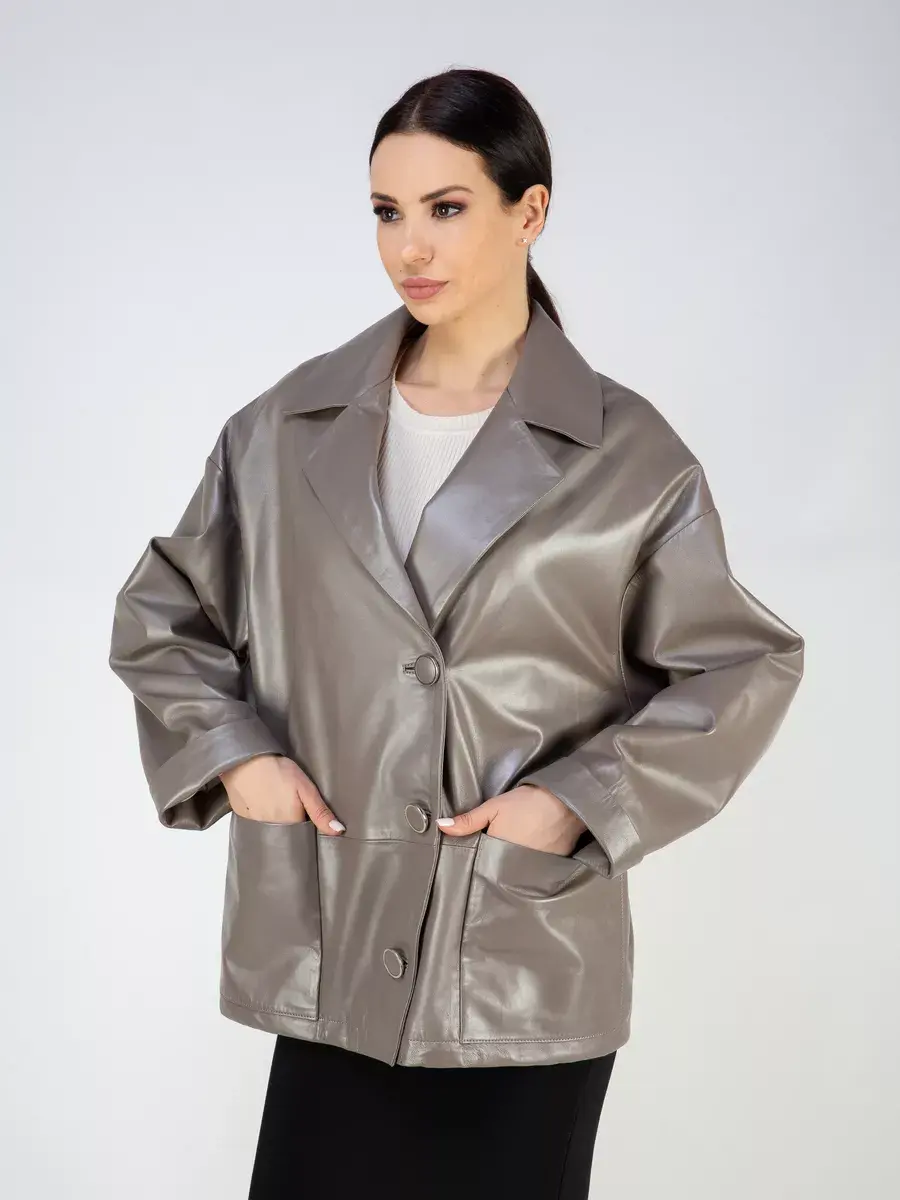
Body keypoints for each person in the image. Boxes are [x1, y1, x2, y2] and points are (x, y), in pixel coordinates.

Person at [108, 67, 805, 1199]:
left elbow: (741, 663)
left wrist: (576, 801)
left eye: (446, 207)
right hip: (333, 929)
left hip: (515, 961)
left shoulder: (629, 455)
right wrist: (237, 758)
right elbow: (163, 613)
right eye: (388, 211)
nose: (410, 247)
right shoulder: (284, 428)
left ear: (531, 212)